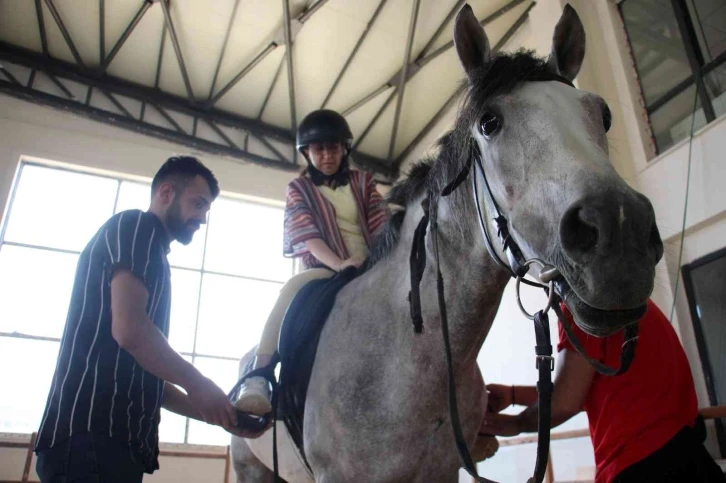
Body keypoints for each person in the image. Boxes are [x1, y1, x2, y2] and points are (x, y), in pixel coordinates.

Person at [34, 156, 260, 483]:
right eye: (198, 204)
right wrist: (198, 383)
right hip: (90, 440)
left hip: (110, 444)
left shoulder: (152, 255)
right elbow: (130, 331)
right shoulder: (137, 227)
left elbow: (150, 382)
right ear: (165, 193)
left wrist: (226, 417)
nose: (202, 218)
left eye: (207, 210)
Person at [234, 109, 389, 417]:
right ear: (307, 153)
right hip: (325, 267)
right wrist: (341, 263)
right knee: (291, 288)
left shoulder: (363, 183)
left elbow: (381, 225)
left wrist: (372, 259)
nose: (327, 155)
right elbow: (308, 237)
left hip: (372, 263)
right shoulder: (298, 190)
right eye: (319, 149)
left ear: (344, 149)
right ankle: (259, 376)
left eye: (332, 147)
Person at [482, 299, 725, 483]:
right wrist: (513, 395)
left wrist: (515, 425)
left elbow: (566, 400)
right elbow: (578, 387)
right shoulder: (632, 302)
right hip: (686, 453)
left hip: (641, 464)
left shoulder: (582, 305)